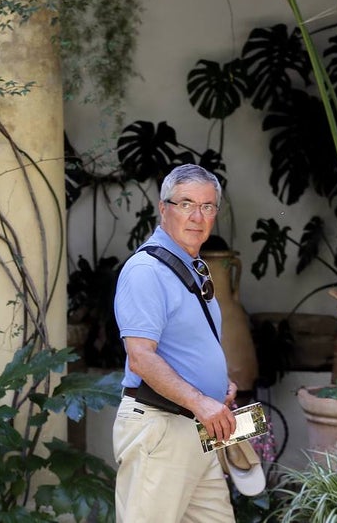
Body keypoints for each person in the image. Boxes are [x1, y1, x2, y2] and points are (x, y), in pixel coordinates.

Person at [113, 164, 239, 522]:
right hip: (161, 427)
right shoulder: (146, 271)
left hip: (196, 429)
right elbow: (140, 359)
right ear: (163, 207)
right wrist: (201, 400)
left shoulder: (192, 267)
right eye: (185, 204)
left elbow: (187, 347)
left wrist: (217, 389)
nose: (197, 216)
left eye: (208, 206)